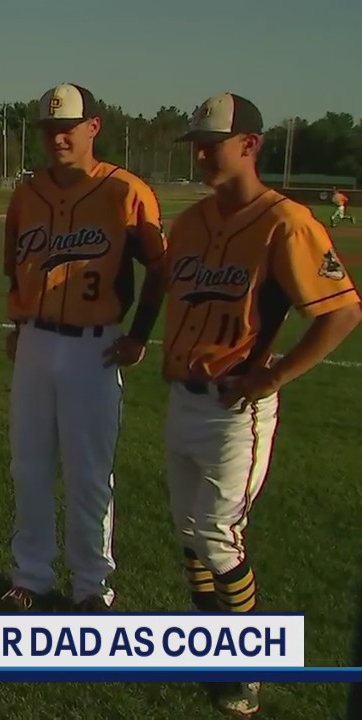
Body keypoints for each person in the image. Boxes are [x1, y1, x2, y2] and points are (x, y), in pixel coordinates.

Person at [166, 92, 360, 716]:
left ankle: (245, 667)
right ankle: (209, 650)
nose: (200, 154)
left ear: (249, 144)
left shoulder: (287, 222)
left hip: (235, 407)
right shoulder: (192, 222)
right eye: (194, 143)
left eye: (211, 143)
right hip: (183, 397)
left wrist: (275, 376)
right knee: (189, 539)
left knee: (218, 538)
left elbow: (342, 313)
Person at [0, 83, 168, 612]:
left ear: (93, 127)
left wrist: (139, 333)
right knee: (27, 466)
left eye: (68, 128)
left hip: (94, 347)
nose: (58, 138)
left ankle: (93, 585)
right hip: (35, 342)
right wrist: (19, 323)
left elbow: (159, 269)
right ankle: (30, 576)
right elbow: (15, 266)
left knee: (89, 471)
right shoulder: (28, 194)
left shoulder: (126, 190)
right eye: (50, 129)